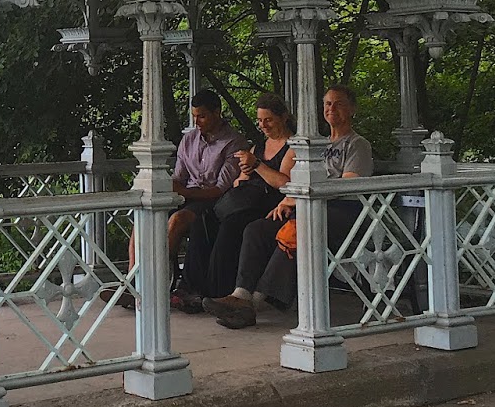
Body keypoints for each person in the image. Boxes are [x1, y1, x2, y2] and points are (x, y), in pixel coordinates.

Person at [207, 85, 373, 328]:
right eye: (327, 103)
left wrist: (299, 198)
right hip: (308, 206)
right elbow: (299, 178)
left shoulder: (357, 144)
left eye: (338, 103)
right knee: (257, 229)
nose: (331, 109)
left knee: (295, 231)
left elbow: (348, 183)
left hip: (343, 211)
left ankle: (255, 301)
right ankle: (241, 294)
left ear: (352, 109)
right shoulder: (318, 144)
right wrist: (287, 201)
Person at [109, 90, 248, 308]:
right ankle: (132, 280)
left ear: (217, 113)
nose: (197, 121)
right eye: (194, 116)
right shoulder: (189, 139)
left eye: (202, 116)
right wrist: (171, 189)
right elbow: (178, 176)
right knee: (142, 219)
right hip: (186, 195)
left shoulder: (234, 142)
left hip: (214, 202)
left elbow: (220, 188)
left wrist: (182, 191)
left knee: (177, 220)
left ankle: (153, 282)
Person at [174, 93, 295, 309]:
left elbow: (284, 183)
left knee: (232, 225)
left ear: (283, 117)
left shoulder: (292, 147)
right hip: (246, 200)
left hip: (270, 204)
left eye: (268, 119)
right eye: (259, 120)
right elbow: (242, 177)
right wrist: (243, 178)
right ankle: (190, 288)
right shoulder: (258, 146)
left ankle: (218, 291)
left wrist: (257, 165)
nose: (263, 125)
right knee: (204, 222)